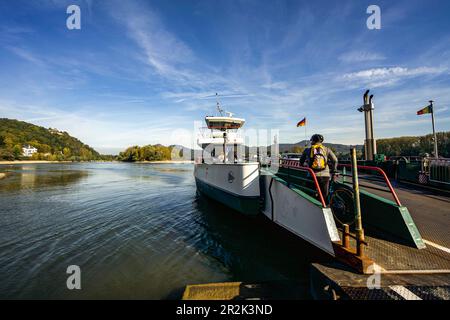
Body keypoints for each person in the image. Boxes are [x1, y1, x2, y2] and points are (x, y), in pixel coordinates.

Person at [299, 134, 338, 202]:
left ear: (313, 141)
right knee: (324, 194)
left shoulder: (307, 150)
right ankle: (325, 207)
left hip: (312, 175)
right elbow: (335, 160)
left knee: (309, 193)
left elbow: (301, 161)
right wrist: (333, 170)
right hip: (325, 175)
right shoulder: (326, 149)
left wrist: (302, 165)